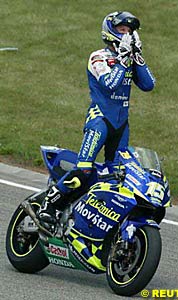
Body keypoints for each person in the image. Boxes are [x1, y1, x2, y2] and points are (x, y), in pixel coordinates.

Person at [37, 11, 155, 224]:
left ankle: (94, 218)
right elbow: (110, 83)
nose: (127, 35)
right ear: (110, 32)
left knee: (116, 176)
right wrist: (122, 59)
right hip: (99, 121)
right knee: (84, 168)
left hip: (121, 125)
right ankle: (49, 204)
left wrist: (137, 58)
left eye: (130, 31)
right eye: (122, 30)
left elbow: (148, 85)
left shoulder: (128, 60)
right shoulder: (98, 57)